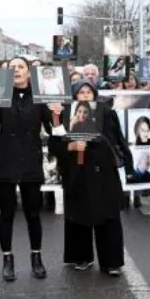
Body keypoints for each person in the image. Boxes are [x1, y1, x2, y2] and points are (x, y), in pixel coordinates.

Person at [0, 56, 60, 282]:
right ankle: (8, 259)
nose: (16, 70)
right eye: (12, 67)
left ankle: (36, 258)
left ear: (28, 72)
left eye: (21, 67)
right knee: (6, 213)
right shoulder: (0, 94)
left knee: (33, 214)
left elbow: (54, 129)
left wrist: (55, 113)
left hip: (30, 162)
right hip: (5, 160)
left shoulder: (40, 97)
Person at [51, 80, 132, 275]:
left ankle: (111, 262)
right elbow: (54, 145)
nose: (85, 95)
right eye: (81, 92)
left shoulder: (107, 113)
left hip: (103, 171)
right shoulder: (64, 114)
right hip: (76, 171)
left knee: (108, 216)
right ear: (74, 96)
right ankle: (82, 257)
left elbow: (117, 139)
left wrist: (127, 164)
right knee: (78, 215)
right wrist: (70, 147)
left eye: (89, 92)